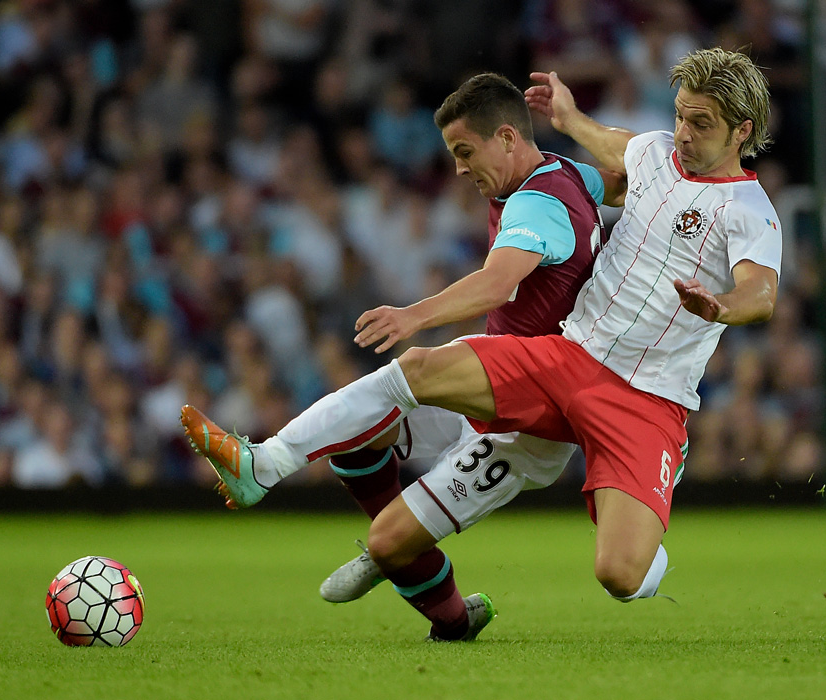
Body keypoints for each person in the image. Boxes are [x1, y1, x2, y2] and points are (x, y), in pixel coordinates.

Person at [188, 46, 780, 634]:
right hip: (569, 355)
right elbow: (617, 150)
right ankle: (265, 463)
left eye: (700, 123)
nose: (682, 132)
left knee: (621, 577)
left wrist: (722, 306)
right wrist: (570, 119)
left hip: (647, 397)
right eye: (679, 114)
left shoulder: (751, 210)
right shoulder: (651, 153)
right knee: (417, 371)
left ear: (741, 130)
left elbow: (762, 293)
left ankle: (645, 521)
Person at [183, 72, 625, 641]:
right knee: (361, 436)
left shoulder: (537, 202)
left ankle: (311, 496)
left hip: (527, 426)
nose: (460, 169)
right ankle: (449, 616)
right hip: (493, 388)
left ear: (509, 137)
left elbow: (498, 285)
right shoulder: (566, 174)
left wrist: (414, 315)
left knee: (388, 536)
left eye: (466, 152)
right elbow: (621, 183)